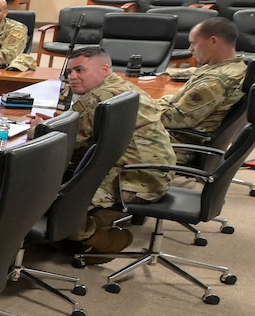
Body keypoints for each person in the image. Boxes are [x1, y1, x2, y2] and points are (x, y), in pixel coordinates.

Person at [58, 46, 176, 252]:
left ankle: (103, 240)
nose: (73, 77)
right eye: (69, 72)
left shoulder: (99, 96)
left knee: (57, 202)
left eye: (80, 70)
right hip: (154, 171)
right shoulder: (124, 87)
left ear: (104, 70)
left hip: (135, 179)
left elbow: (63, 141)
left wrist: (36, 129)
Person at [158, 17, 247, 144]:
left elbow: (175, 118)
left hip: (175, 144)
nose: (190, 49)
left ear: (213, 41)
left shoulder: (215, 81)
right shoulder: (233, 66)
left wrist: (138, 106)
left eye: (194, 43)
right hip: (177, 135)